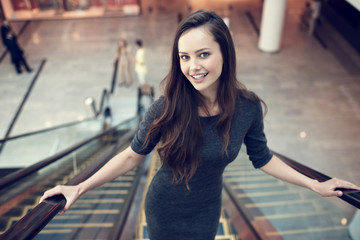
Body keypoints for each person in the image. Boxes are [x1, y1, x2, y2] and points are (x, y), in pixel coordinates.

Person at [40, 10, 360, 240]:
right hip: (163, 209)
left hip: (207, 211)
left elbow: (262, 158)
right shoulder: (165, 109)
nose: (193, 67)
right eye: (184, 57)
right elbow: (131, 156)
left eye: (203, 54)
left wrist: (315, 184)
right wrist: (78, 187)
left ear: (225, 53)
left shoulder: (246, 108)